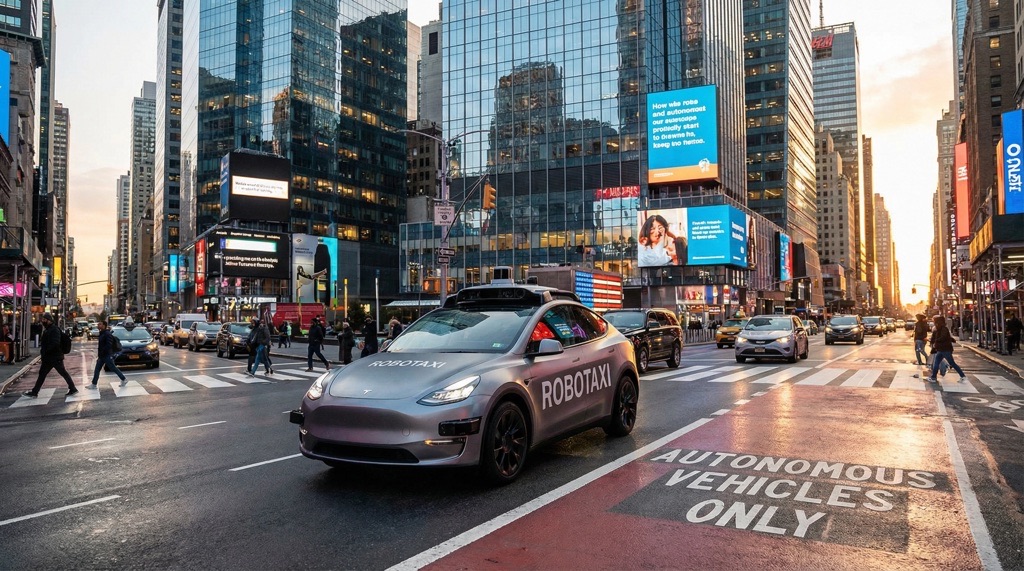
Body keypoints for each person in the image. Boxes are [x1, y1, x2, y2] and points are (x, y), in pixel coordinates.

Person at [23, 313, 77, 397]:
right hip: (49, 357)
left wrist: (46, 351)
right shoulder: (48, 329)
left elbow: (55, 343)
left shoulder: (54, 330)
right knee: (42, 374)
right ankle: (35, 392)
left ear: (49, 320)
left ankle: (73, 388)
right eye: (43, 319)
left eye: (44, 320)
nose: (43, 321)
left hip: (54, 357)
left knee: (62, 373)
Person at [927, 315, 966, 383]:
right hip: (941, 349)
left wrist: (936, 341)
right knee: (937, 363)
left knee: (952, 363)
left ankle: (963, 376)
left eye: (935, 322)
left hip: (945, 349)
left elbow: (943, 337)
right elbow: (944, 337)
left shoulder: (942, 329)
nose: (934, 323)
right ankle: (933, 377)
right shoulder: (940, 329)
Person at [89, 321, 127, 389]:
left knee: (113, 368)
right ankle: (94, 384)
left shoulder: (107, 334)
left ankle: (123, 379)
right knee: (97, 369)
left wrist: (103, 351)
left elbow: (108, 344)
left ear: (104, 326)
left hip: (106, 355)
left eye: (100, 324)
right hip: (102, 355)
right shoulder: (102, 333)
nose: (98, 325)